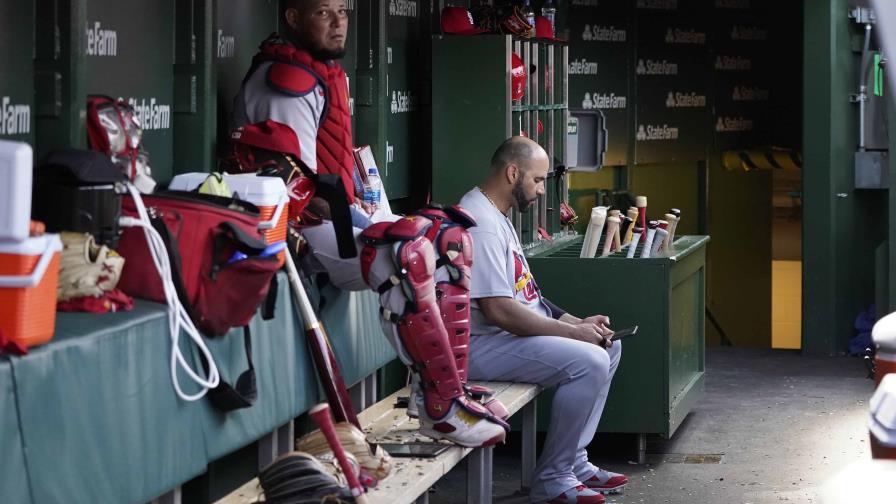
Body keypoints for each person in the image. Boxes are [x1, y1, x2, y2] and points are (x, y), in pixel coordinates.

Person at [229, 0, 508, 448]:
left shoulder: (319, 70)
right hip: (288, 230)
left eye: (344, 11)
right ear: (294, 17)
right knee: (405, 251)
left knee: (447, 236)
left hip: (331, 219)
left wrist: (371, 214)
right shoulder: (286, 81)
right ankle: (441, 409)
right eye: (324, 12)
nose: (339, 23)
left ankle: (441, 390)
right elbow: (296, 188)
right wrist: (368, 221)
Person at [459, 136, 628, 504]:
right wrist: (573, 333)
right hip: (479, 344)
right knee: (590, 360)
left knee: (606, 348)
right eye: (537, 180)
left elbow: (528, 295)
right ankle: (553, 478)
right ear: (512, 172)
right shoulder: (481, 223)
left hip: (502, 338)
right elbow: (499, 310)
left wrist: (578, 322)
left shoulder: (496, 212)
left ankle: (573, 462)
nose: (540, 190)